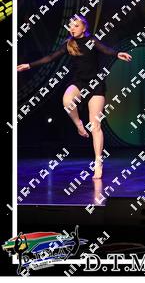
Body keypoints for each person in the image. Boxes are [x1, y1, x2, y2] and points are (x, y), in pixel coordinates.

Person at [17, 15, 133, 179]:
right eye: (71, 26)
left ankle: (98, 163)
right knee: (67, 100)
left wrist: (117, 53)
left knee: (95, 126)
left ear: (84, 28)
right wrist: (29, 65)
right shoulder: (68, 44)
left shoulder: (91, 40)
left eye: (76, 25)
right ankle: (79, 124)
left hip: (96, 85)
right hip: (79, 83)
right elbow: (50, 58)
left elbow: (105, 49)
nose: (72, 28)